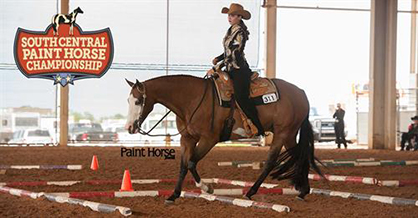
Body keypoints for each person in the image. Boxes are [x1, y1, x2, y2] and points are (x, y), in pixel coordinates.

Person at [206, 3, 264, 136]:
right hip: (231, 67)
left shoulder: (240, 32)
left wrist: (217, 67)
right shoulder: (230, 30)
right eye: (229, 15)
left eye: (232, 15)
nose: (229, 17)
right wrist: (218, 57)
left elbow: (235, 53)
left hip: (239, 70)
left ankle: (257, 126)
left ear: (239, 17)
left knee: (241, 96)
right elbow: (227, 51)